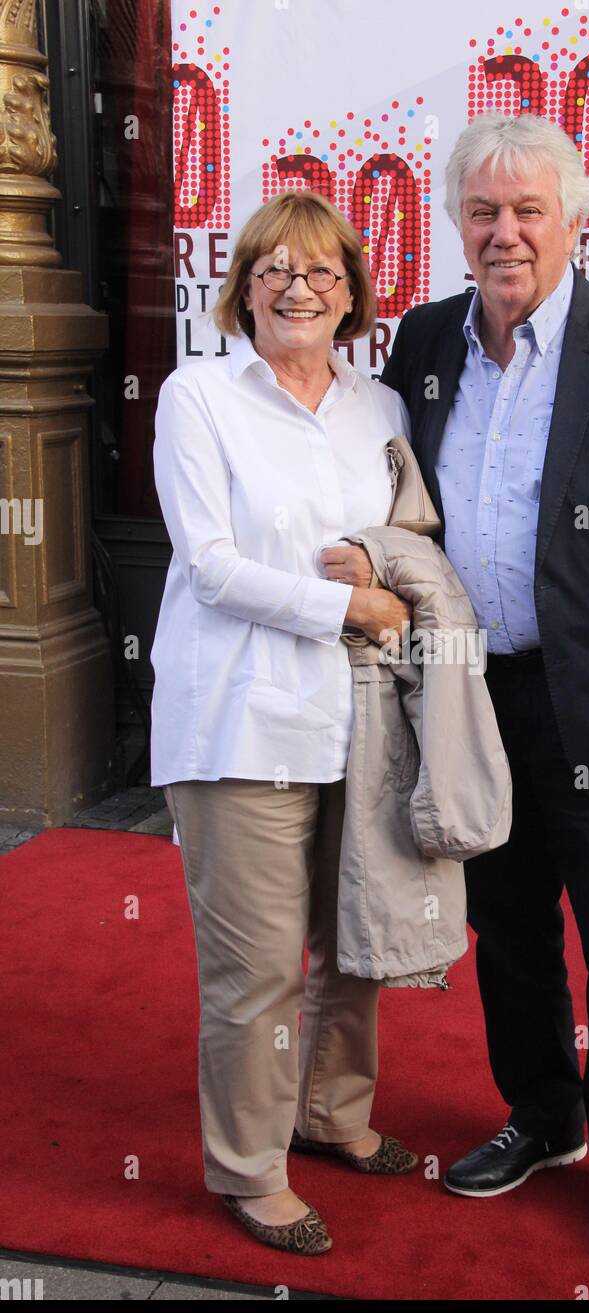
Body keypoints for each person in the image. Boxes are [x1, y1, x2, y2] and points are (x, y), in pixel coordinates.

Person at [373, 110, 589, 1261]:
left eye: (527, 210)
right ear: (455, 224)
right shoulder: (422, 344)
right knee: (506, 928)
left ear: (574, 219)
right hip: (469, 699)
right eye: (482, 211)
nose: (504, 231)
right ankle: (542, 1113)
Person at [149, 189, 420, 1257]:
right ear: (241, 288)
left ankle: (332, 1114)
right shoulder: (196, 396)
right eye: (272, 268)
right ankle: (249, 1169)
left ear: (350, 292)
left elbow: (401, 542)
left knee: (353, 943)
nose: (296, 287)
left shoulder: (381, 407)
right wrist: (349, 601)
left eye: (319, 271)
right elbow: (212, 568)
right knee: (257, 965)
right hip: (238, 721)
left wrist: (387, 583)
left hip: (357, 720)